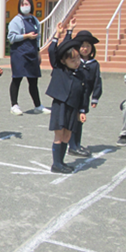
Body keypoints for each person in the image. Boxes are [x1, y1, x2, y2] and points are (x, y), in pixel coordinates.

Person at [45, 20, 88, 174]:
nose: (76, 62)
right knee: (59, 134)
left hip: (73, 107)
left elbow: (83, 94)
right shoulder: (59, 68)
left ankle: (62, 162)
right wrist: (58, 34)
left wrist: (82, 110)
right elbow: (53, 51)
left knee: (68, 135)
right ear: (63, 61)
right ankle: (56, 164)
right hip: (61, 106)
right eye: (72, 60)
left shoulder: (80, 73)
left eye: (78, 59)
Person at [7, 0, 49, 115]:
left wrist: (38, 52)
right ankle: (14, 105)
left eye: (27, 4)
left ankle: (38, 105)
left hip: (32, 53)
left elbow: (37, 38)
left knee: (33, 80)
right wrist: (26, 36)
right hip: (19, 53)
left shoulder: (35, 20)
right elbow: (11, 38)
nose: (25, 6)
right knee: (17, 78)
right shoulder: (16, 20)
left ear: (31, 5)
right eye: (22, 4)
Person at [68, 31, 102, 157]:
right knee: (73, 121)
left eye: (88, 46)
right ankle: (72, 146)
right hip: (74, 96)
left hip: (85, 97)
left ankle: (77, 143)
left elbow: (97, 81)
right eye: (82, 46)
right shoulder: (74, 62)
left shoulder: (94, 64)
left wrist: (95, 97)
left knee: (80, 121)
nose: (85, 48)